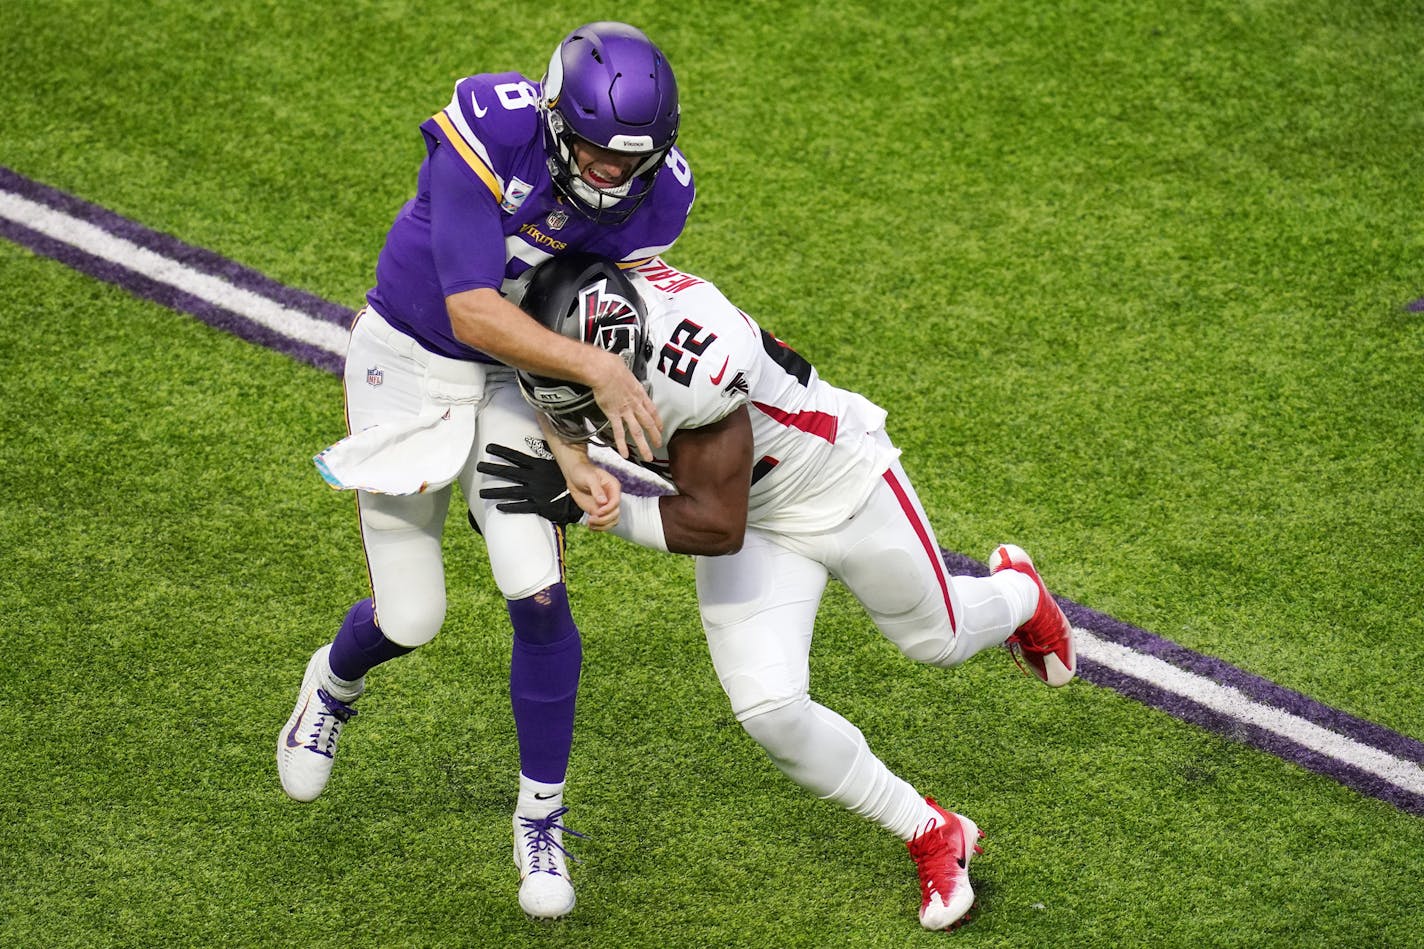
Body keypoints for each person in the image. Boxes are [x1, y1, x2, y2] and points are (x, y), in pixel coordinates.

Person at [477, 253, 1077, 932]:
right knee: (770, 708)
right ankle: (931, 829)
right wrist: (573, 468)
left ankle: (1019, 593)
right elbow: (553, 389)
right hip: (753, 520)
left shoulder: (696, 367)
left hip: (835, 487)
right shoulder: (562, 316)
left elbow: (714, 524)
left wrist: (585, 508)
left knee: (936, 639)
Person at [275, 23, 695, 920]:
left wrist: (573, 448)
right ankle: (333, 683)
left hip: (514, 381)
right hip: (405, 361)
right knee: (413, 615)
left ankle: (539, 818)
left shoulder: (657, 199)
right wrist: (600, 374)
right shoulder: (491, 124)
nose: (613, 177)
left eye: (632, 160)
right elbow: (472, 308)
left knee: (537, 591)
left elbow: (559, 314)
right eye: (594, 153)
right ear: (553, 120)